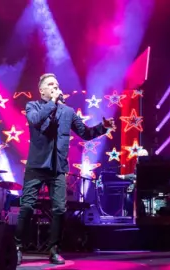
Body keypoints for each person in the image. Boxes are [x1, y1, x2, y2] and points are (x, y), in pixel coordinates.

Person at [15, 73, 116, 265]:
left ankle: (54, 250)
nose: (55, 87)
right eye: (50, 84)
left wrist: (103, 128)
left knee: (60, 209)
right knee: (27, 207)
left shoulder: (68, 112)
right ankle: (17, 247)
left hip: (58, 167)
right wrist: (52, 103)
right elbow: (37, 122)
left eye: (57, 84)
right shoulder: (33, 107)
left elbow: (85, 133)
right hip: (36, 166)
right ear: (42, 90)